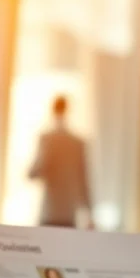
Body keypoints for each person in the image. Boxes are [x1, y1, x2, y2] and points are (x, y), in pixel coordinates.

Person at [28, 95, 94, 228]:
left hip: (50, 212)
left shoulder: (47, 138)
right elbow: (84, 181)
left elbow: (33, 173)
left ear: (52, 110)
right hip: (68, 213)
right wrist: (89, 214)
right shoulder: (77, 142)